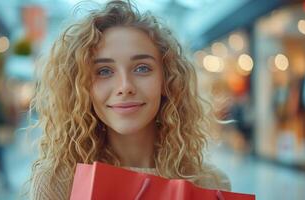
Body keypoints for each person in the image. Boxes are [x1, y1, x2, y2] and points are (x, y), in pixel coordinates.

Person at [29, 1, 231, 199]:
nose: (125, 86)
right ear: (82, 87)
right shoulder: (58, 182)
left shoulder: (212, 184)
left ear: (167, 80)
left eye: (142, 68)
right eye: (104, 71)